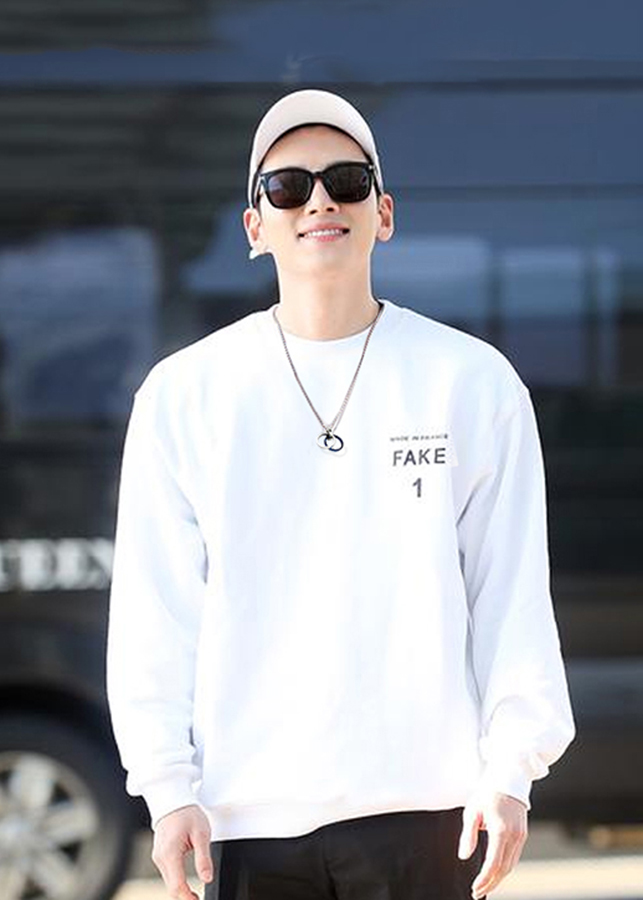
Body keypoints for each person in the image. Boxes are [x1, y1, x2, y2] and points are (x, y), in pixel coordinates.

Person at [107, 89, 575, 900]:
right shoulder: (185, 393)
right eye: (287, 187)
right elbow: (155, 609)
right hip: (243, 816)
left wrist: (510, 770)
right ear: (254, 226)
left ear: (382, 213)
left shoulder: (469, 381)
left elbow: (508, 593)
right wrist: (166, 786)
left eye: (347, 181)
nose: (319, 201)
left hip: (426, 807)